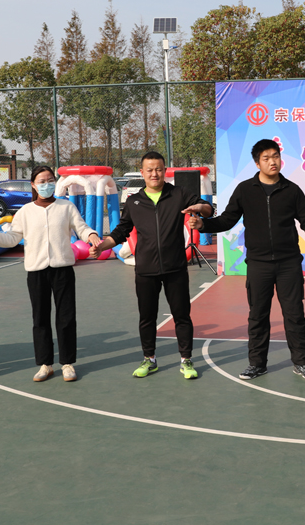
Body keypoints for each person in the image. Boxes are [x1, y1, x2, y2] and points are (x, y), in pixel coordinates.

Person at [189, 139, 305, 380]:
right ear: (257, 163)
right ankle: (257, 364)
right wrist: (203, 225)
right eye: (266, 158)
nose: (273, 162)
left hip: (289, 263)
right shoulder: (245, 190)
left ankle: (302, 363)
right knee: (258, 315)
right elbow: (227, 219)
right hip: (258, 264)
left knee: (294, 314)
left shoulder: (291, 190)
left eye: (276, 156)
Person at [91, 152, 213, 379]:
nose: (154, 174)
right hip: (146, 269)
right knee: (147, 317)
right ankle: (150, 359)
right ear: (142, 172)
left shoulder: (179, 194)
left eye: (158, 169)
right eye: (149, 170)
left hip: (175, 267)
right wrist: (102, 246)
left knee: (182, 316)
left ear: (164, 170)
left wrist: (199, 208)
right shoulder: (134, 201)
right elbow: (121, 231)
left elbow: (208, 208)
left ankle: (186, 360)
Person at [0, 165, 101, 383]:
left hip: (63, 270)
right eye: (42, 181)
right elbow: (11, 239)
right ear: (33, 185)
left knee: (66, 317)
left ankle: (67, 363)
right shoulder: (25, 212)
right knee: (40, 318)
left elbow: (81, 227)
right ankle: (45, 364)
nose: (47, 184)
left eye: (50, 180)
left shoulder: (66, 206)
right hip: (36, 272)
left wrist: (91, 235)